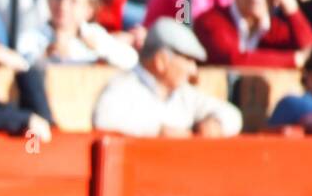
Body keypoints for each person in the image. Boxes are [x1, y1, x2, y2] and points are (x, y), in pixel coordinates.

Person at [92, 17, 243, 136]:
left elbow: (233, 115)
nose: (193, 70)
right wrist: (157, 130)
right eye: (188, 60)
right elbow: (105, 119)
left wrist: (215, 123)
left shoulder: (183, 94)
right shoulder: (124, 87)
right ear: (161, 61)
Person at [17, 0, 137, 68]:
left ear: (89, 9)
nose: (63, 6)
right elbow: (19, 63)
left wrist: (100, 49)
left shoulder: (94, 35)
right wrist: (44, 56)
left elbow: (131, 60)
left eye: (73, 1)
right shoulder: (33, 36)